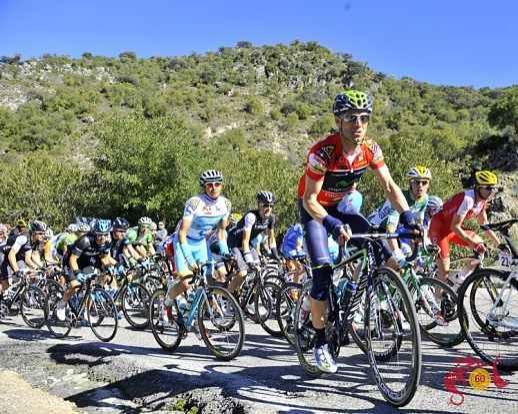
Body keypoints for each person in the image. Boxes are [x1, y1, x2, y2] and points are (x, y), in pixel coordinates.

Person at [299, 90, 417, 373]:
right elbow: (309, 200)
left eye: (364, 118)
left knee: (383, 248)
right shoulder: (322, 153)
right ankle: (320, 341)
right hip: (316, 211)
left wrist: (409, 217)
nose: (359, 124)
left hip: (342, 207)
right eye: (351, 118)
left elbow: (389, 187)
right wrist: (331, 224)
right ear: (338, 121)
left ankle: (370, 295)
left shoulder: (371, 150)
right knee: (323, 270)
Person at [163, 170, 231, 315]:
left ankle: (196, 315)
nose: (214, 188)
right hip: (184, 243)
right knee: (185, 283)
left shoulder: (225, 204)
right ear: (204, 187)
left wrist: (226, 254)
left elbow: (221, 233)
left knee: (208, 278)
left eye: (217, 184)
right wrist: (189, 258)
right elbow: (182, 233)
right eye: (209, 185)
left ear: (222, 186)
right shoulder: (194, 203)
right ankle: (167, 301)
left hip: (200, 243)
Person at [429, 170, 501, 287]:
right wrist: (470, 242)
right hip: (439, 229)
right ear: (479, 188)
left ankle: (460, 278)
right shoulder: (468, 199)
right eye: (488, 188)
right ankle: (436, 302)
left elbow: (484, 224)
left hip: (452, 230)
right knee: (444, 273)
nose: (491, 191)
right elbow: (455, 226)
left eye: (494, 188)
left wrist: (499, 244)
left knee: (480, 244)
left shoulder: (483, 200)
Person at [56, 219, 113, 321]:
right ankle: (62, 304)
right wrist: (77, 273)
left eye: (105, 234)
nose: (102, 238)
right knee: (76, 286)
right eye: (99, 235)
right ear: (95, 233)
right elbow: (72, 259)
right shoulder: (85, 240)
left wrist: (111, 267)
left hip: (87, 261)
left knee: (92, 285)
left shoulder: (107, 242)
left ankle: (86, 311)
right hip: (71, 260)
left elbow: (103, 257)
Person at [227, 191, 280, 293]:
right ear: (259, 205)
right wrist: (249, 260)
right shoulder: (251, 217)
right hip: (234, 243)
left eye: (271, 205)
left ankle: (245, 295)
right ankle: (226, 298)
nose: (268, 208)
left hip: (247, 244)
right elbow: (245, 241)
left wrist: (275, 254)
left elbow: (271, 239)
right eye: (265, 205)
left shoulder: (271, 218)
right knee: (243, 272)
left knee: (258, 270)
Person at [0, 220, 47, 297]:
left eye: (43, 233)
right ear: (34, 232)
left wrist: (41, 267)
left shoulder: (35, 241)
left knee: (26, 274)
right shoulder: (24, 238)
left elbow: (29, 259)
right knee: (6, 283)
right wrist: (16, 271)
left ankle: (17, 297)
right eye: (40, 233)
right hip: (4, 254)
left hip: (16, 257)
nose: (43, 236)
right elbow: (11, 255)